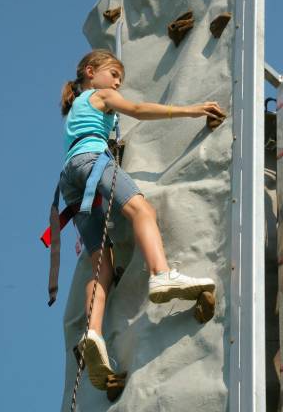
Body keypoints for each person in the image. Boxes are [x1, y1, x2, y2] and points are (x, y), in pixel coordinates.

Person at [59, 49, 224, 390]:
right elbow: (136, 109)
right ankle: (161, 275)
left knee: (100, 263)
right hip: (93, 161)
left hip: (70, 179)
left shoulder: (75, 108)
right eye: (114, 74)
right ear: (91, 72)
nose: (118, 83)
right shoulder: (100, 95)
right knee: (142, 210)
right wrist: (190, 109)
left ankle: (93, 333)